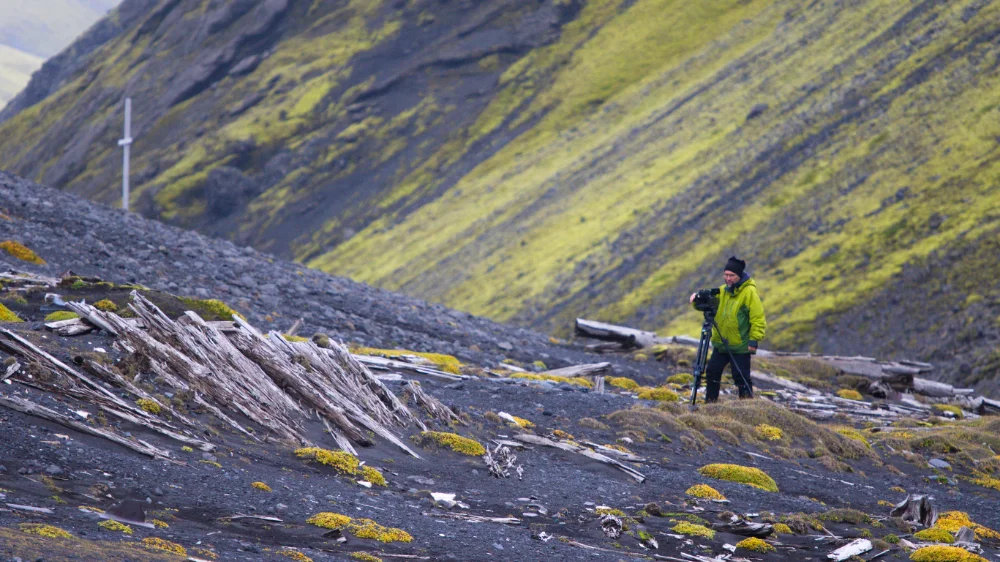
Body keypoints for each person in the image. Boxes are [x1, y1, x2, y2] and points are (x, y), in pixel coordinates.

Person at [689, 256, 766, 402]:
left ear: (739, 276)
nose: (728, 278)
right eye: (726, 275)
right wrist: (696, 299)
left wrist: (754, 339)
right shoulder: (723, 290)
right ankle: (710, 405)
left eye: (732, 275)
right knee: (712, 372)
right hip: (721, 344)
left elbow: (758, 318)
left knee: (741, 377)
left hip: (740, 346)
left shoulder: (749, 292)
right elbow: (708, 305)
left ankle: (748, 408)